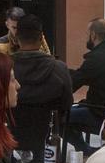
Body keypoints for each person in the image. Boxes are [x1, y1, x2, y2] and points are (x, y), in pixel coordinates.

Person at [9, 14, 74, 153]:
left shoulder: (3, 69)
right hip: (49, 141)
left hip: (11, 141)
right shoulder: (59, 69)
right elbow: (67, 104)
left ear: (16, 38)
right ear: (41, 38)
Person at [68, 17, 105, 148]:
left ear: (93, 35)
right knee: (74, 110)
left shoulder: (95, 59)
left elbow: (73, 84)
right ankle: (84, 148)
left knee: (59, 116)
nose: (86, 37)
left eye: (87, 34)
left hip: (99, 114)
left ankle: (84, 149)